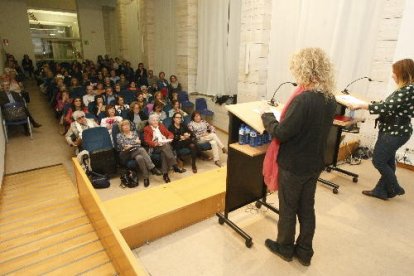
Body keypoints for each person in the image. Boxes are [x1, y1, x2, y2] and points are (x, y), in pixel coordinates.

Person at [261, 48, 336, 266]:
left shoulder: (303, 100)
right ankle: (304, 251)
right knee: (306, 208)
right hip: (314, 163)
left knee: (288, 208)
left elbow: (282, 133)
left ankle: (284, 247)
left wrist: (268, 119)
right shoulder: (329, 98)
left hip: (294, 164)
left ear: (304, 69)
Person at [350, 58, 414, 200]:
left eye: (395, 72)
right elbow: (391, 106)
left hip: (395, 132)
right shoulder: (406, 89)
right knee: (388, 161)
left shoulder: (409, 89)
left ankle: (395, 186)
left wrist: (362, 105)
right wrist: (371, 104)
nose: (392, 75)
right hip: (393, 130)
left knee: (378, 160)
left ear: (403, 73)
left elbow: (386, 107)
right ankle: (382, 191)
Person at [116, 120, 162, 187]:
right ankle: (152, 168)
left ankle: (146, 177)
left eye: (127, 124)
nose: (126, 126)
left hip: (136, 151)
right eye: (124, 125)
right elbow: (125, 146)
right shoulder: (119, 135)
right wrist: (135, 143)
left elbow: (139, 144)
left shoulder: (134, 133)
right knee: (141, 149)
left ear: (130, 125)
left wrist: (132, 144)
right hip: (126, 154)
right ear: (121, 127)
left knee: (139, 157)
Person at [144, 114, 186, 183]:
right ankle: (175, 165)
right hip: (155, 147)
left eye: (157, 120)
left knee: (164, 152)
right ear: (150, 122)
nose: (155, 122)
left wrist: (170, 137)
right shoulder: (147, 129)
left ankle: (165, 175)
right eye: (153, 120)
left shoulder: (161, 126)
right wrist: (156, 143)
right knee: (166, 146)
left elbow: (170, 133)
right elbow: (147, 141)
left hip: (164, 145)